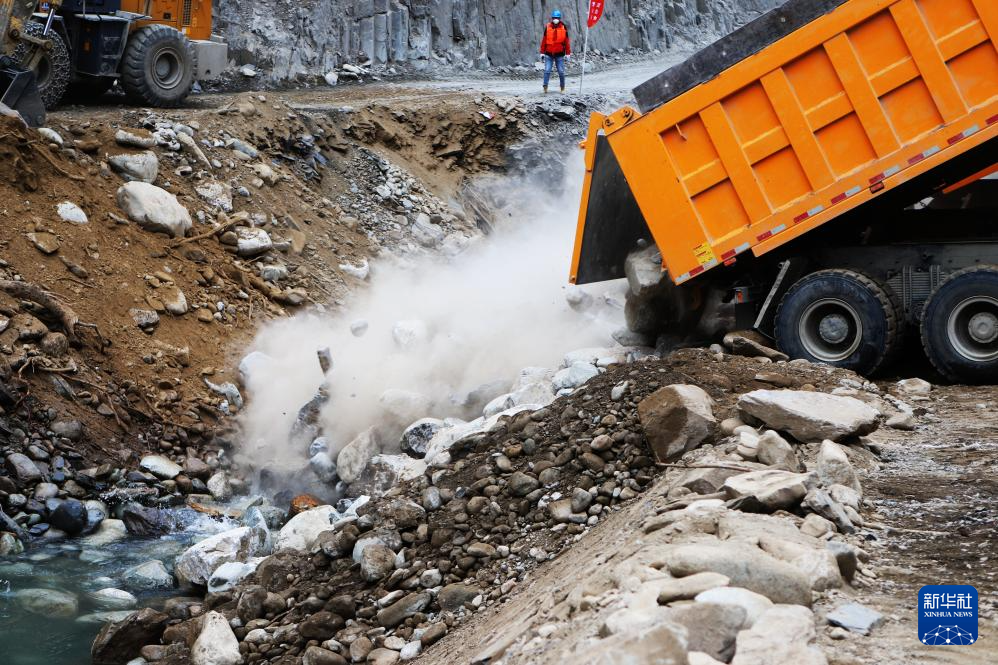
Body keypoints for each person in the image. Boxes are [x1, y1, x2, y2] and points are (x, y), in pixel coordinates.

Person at [540, 9, 571, 93]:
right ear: (552, 18)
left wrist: (568, 53)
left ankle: (562, 87)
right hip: (549, 53)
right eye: (554, 18)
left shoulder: (563, 27)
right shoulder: (548, 27)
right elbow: (544, 40)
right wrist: (542, 52)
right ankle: (545, 86)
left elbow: (567, 41)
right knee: (547, 70)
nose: (555, 19)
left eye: (557, 18)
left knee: (561, 71)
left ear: (559, 18)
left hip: (559, 54)